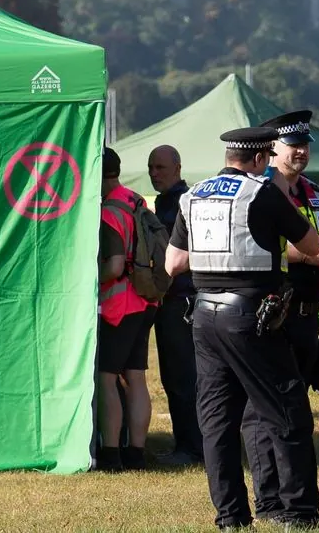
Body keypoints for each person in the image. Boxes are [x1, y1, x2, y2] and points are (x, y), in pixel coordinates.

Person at [165, 127, 319, 531]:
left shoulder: (193, 195)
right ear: (259, 159)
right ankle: (299, 513)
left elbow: (173, 264)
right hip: (252, 316)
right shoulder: (262, 193)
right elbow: (310, 246)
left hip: (202, 316)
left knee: (217, 421)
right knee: (287, 411)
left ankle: (231, 517)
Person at [243, 111, 319, 520]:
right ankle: (270, 502)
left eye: (305, 144)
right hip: (270, 313)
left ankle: (286, 499)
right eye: (293, 145)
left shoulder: (315, 192)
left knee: (293, 411)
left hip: (306, 314)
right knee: (263, 412)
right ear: (273, 150)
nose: (301, 151)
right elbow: (257, 246)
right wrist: (312, 252)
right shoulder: (259, 191)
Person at [95, 147, 157, 471]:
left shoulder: (109, 210)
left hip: (118, 305)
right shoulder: (135, 200)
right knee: (137, 379)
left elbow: (116, 265)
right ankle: (136, 452)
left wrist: (92, 280)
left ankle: (110, 454)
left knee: (106, 379)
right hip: (146, 301)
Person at [146, 144, 204, 466]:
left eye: (161, 168)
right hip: (172, 300)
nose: (155, 173)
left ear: (178, 168)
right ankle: (190, 444)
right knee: (174, 376)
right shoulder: (166, 201)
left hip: (181, 300)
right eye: (152, 168)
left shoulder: (185, 203)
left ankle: (191, 449)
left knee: (184, 377)